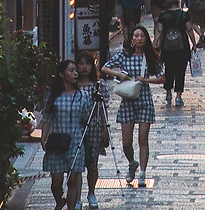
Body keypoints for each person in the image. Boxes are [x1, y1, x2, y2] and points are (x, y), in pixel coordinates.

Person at [106, 24, 159, 183]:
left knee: (143, 139)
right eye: (136, 36)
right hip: (127, 100)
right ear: (131, 39)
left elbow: (162, 77)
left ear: (146, 38)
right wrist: (119, 74)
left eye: (142, 36)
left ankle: (142, 173)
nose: (139, 39)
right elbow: (105, 68)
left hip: (144, 99)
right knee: (126, 142)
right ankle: (132, 163)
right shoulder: (124, 55)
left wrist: (146, 80)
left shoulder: (150, 56)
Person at [42, 61, 92, 210]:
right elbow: (47, 117)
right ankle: (59, 200)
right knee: (56, 182)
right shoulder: (53, 96)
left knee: (73, 180)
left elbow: (85, 118)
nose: (75, 73)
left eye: (76, 70)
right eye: (71, 71)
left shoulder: (82, 95)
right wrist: (44, 136)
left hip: (75, 140)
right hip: (57, 140)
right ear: (62, 74)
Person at [75, 51, 113, 208]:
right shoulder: (72, 84)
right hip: (76, 126)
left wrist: (105, 130)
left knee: (93, 163)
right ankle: (76, 197)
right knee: (76, 164)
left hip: (94, 126)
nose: (84, 67)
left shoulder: (98, 85)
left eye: (87, 63)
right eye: (81, 63)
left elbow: (103, 108)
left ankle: (91, 192)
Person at [155, 0, 193, 107]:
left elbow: (160, 31)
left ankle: (168, 93)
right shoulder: (184, 14)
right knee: (180, 72)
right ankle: (178, 96)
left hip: (167, 48)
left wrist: (154, 44)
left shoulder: (163, 15)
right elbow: (189, 29)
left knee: (169, 70)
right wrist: (194, 43)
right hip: (182, 47)